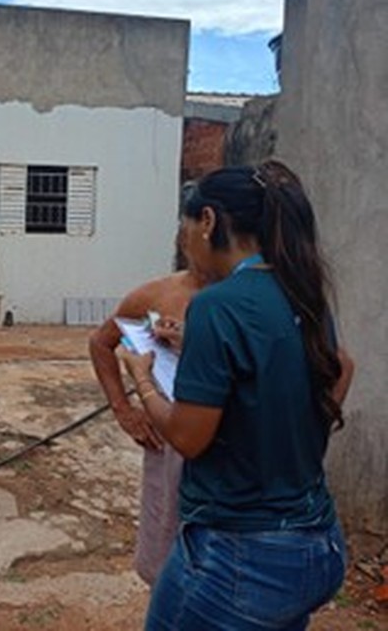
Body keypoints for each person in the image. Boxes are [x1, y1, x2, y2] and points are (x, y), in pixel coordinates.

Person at [120, 160, 354, 631]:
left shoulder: (217, 304)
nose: (184, 241)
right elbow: (339, 368)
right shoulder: (303, 291)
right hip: (317, 546)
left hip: (239, 556)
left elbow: (188, 438)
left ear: (207, 221)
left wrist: (142, 378)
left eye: (185, 226)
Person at [89, 243, 205, 585]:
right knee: (165, 537)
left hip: (226, 445)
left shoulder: (250, 298)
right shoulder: (159, 293)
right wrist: (123, 410)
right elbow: (101, 343)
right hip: (168, 440)